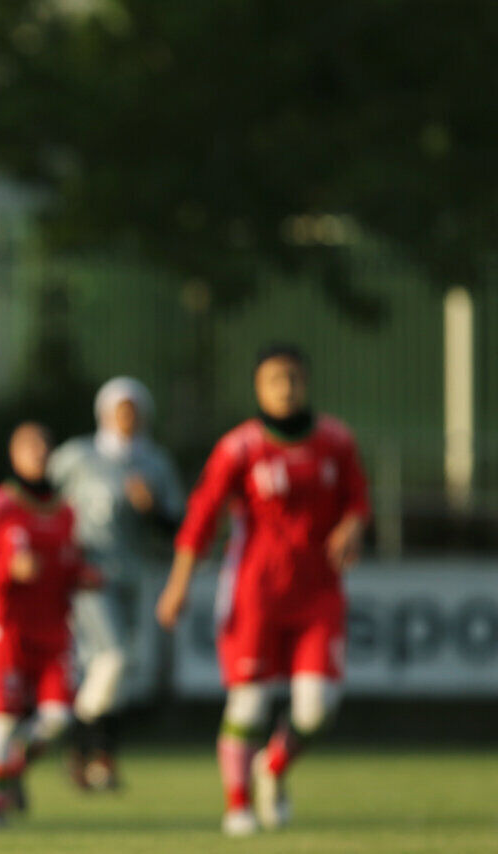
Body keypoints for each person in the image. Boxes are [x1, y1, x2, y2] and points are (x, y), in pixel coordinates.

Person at [155, 343, 369, 836]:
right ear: (258, 387)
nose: (285, 387)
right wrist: (178, 584)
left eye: (293, 377)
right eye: (275, 379)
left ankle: (271, 769)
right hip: (255, 593)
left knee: (317, 708)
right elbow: (201, 518)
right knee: (248, 704)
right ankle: (238, 805)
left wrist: (354, 525)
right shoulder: (241, 447)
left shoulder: (336, 440)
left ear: (306, 382)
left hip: (319, 593)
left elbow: (358, 500)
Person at [0, 422, 100, 827]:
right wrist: (6, 568)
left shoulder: (66, 511)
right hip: (4, 630)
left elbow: (67, 565)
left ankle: (11, 771)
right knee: (1, 719)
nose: (38, 454)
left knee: (59, 720)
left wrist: (83, 576)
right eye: (28, 447)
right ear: (14, 455)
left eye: (43, 447)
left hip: (53, 632)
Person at [47, 377, 185, 790]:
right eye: (119, 409)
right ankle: (85, 751)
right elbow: (42, 503)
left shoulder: (154, 464)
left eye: (134, 410)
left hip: (134, 576)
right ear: (103, 412)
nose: (127, 418)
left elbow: (180, 526)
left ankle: (93, 758)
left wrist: (153, 508)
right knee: (112, 658)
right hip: (88, 575)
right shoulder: (76, 456)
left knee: (113, 671)